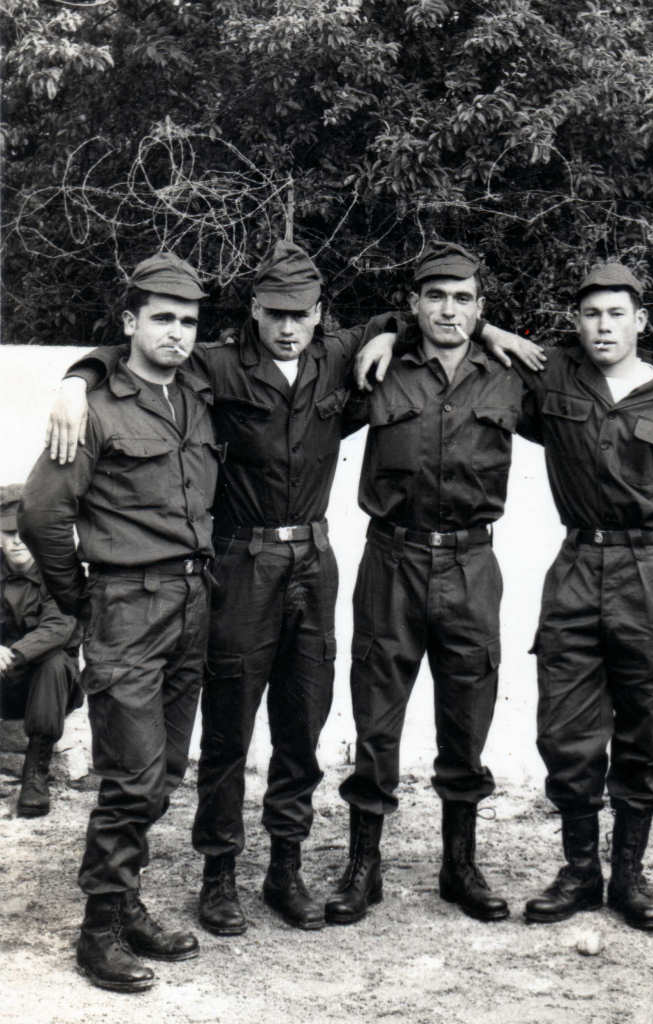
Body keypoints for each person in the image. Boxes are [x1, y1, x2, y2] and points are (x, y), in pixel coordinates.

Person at [44, 239, 540, 937]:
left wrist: (489, 331)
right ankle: (220, 876)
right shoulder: (214, 364)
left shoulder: (340, 356)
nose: (287, 326)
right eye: (274, 312)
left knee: (302, 725)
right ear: (253, 309)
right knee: (228, 730)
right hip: (240, 562)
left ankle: (286, 868)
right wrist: (76, 378)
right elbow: (136, 354)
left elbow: (427, 318)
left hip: (313, 559)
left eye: (300, 313)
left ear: (319, 314)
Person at [19, 252, 217, 992]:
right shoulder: (96, 409)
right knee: (131, 777)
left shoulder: (198, 394)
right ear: (130, 323)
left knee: (163, 772)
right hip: (127, 604)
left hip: (193, 600)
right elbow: (42, 513)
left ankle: (126, 902)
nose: (177, 332)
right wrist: (78, 597)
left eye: (188, 321)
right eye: (162, 318)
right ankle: (98, 930)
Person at [325, 241, 525, 926]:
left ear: (480, 308)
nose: (448, 310)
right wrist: (385, 333)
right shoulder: (379, 369)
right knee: (376, 716)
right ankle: (363, 865)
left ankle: (459, 864)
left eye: (463, 299)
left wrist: (496, 336)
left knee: (468, 714)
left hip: (472, 564)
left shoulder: (509, 377)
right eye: (435, 296)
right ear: (414, 304)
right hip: (393, 559)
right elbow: (299, 385)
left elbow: (602, 381)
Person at [516, 263, 653, 931]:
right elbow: (474, 341)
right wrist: (491, 331)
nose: (603, 327)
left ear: (641, 321)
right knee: (564, 732)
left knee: (644, 732)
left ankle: (628, 875)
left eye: (616, 314)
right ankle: (580, 872)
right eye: (591, 314)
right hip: (577, 567)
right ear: (575, 322)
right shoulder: (554, 378)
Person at [0, 482, 81, 818]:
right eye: (8, 533)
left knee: (54, 661)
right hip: (6, 684)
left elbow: (59, 626)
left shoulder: (59, 571)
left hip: (49, 688)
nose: (17, 541)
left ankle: (36, 772)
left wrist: (12, 653)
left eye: (23, 533)